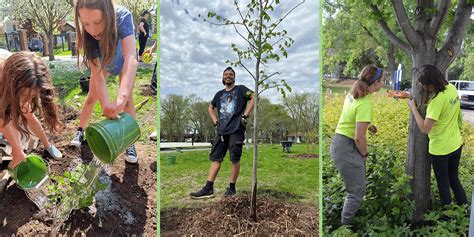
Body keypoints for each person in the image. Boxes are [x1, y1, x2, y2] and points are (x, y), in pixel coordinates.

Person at [70, 0, 139, 163]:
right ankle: (80, 130)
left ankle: (130, 142)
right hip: (104, 64)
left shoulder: (123, 17)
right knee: (91, 97)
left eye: (97, 22)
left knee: (128, 101)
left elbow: (131, 58)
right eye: (85, 24)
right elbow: (97, 73)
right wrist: (107, 106)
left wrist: (120, 100)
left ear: (107, 14)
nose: (92, 30)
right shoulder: (89, 35)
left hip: (123, 61)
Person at [330, 65, 383, 225]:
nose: (382, 84)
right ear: (374, 83)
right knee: (356, 192)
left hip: (339, 143)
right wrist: (365, 154)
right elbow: (359, 138)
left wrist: (368, 125)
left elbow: (351, 117)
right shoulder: (365, 102)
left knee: (355, 188)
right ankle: (345, 228)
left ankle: (347, 222)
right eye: (381, 81)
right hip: (347, 147)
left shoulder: (354, 93)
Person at [407, 64, 467, 207]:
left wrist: (413, 108)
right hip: (455, 144)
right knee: (454, 179)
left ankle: (447, 217)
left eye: (423, 84)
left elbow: (425, 129)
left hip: (441, 150)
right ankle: (464, 209)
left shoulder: (437, 102)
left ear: (431, 83)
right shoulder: (451, 89)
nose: (422, 87)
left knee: (443, 185)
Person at [190, 67, 254, 198]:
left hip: (236, 130)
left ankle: (231, 188)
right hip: (221, 131)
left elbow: (254, 97)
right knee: (216, 158)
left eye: (231, 74)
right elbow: (210, 107)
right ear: (223, 78)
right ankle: (208, 188)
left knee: (234, 159)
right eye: (226, 74)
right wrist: (215, 120)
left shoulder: (241, 89)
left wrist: (245, 116)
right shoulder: (219, 94)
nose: (228, 76)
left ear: (234, 77)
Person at [0, 51, 62, 169]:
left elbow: (30, 117)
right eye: (23, 95)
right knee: (8, 116)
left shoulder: (26, 74)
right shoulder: (4, 80)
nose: (26, 100)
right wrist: (17, 150)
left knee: (27, 113)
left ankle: (48, 145)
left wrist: (46, 145)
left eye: (32, 96)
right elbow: (2, 119)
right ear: (13, 87)